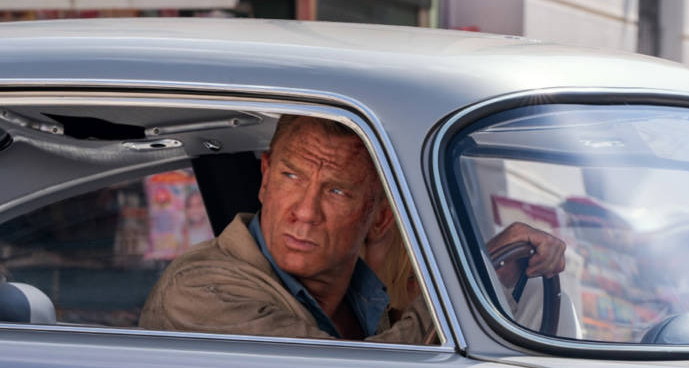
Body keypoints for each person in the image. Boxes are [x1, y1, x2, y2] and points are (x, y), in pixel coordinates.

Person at [140, 115, 565, 344]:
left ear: (379, 217)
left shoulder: (360, 297)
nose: (305, 212)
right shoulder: (199, 289)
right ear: (264, 177)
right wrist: (479, 273)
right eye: (291, 176)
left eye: (337, 191)